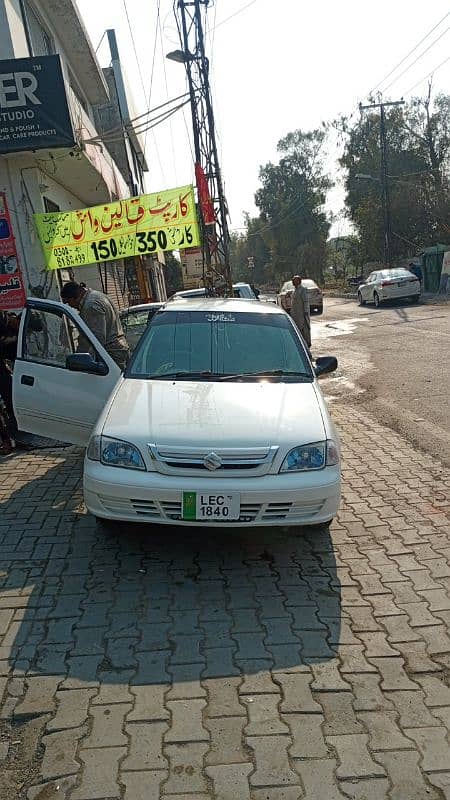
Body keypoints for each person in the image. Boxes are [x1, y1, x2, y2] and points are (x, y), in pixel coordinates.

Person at [60, 281, 130, 370]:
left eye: (68, 302)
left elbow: (96, 339)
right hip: (119, 348)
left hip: (111, 354)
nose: (70, 306)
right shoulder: (97, 295)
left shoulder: (90, 306)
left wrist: (82, 360)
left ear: (75, 297)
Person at [290, 274, 311, 349]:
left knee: (304, 329)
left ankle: (307, 343)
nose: (293, 282)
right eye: (293, 280)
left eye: (295, 280)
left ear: (299, 281)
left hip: (302, 314)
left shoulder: (302, 290)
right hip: (295, 314)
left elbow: (306, 301)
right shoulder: (295, 291)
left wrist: (305, 311)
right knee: (297, 329)